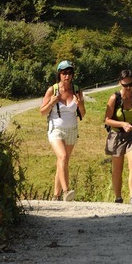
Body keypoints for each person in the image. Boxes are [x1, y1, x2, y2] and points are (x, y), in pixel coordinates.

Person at [39, 60, 86, 200]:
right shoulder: (52, 90)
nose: (67, 76)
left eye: (70, 73)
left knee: (63, 161)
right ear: (59, 74)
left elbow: (82, 114)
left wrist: (80, 105)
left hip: (72, 129)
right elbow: (42, 111)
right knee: (62, 157)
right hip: (56, 128)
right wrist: (52, 102)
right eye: (64, 73)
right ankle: (66, 191)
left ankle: (55, 195)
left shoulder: (77, 90)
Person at [103, 68, 132, 204]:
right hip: (117, 135)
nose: (128, 87)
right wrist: (122, 124)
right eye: (125, 85)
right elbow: (107, 119)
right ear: (119, 83)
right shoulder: (114, 98)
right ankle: (118, 197)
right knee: (117, 169)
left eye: (131, 84)